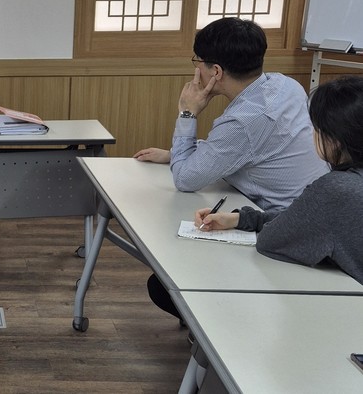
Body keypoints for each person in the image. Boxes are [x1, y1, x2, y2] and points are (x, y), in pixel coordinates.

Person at [133, 17, 328, 319]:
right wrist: (177, 154)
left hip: (279, 230)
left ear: (216, 72)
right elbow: (250, 149)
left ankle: (221, 326)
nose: (196, 70)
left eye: (198, 62)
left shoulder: (244, 121)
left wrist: (187, 113)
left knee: (163, 286)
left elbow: (185, 179)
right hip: (315, 220)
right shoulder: (285, 85)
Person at [194, 75, 363, 285]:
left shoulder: (336, 188)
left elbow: (271, 241)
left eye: (316, 128)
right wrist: (242, 219)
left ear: (334, 139)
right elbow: (300, 220)